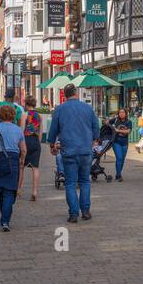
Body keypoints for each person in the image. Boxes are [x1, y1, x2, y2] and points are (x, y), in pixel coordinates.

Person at [46, 83, 100, 223]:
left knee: (70, 183)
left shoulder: (60, 109)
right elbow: (96, 127)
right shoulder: (88, 108)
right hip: (85, 150)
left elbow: (53, 130)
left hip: (68, 150)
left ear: (64, 95)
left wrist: (52, 145)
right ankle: (86, 211)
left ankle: (73, 214)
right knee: (84, 182)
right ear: (76, 93)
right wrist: (93, 140)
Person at [0, 104, 27, 232]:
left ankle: (4, 217)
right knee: (10, 191)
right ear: (13, 116)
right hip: (13, 160)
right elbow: (24, 149)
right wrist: (22, 160)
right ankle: (5, 220)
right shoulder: (18, 130)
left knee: (1, 189)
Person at [22, 103, 44, 201]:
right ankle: (34, 192)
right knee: (35, 168)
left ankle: (18, 189)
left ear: (27, 104)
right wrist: (38, 143)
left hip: (26, 140)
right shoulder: (39, 116)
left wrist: (21, 144)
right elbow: (40, 132)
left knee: (21, 166)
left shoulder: (25, 114)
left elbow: (22, 130)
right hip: (35, 140)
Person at [109, 108, 132, 181]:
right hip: (116, 142)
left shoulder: (129, 122)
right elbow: (107, 122)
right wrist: (111, 128)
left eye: (123, 112)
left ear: (125, 114)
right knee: (119, 158)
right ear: (118, 114)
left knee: (122, 159)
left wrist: (117, 130)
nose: (121, 114)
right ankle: (119, 175)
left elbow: (128, 131)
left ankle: (118, 173)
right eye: (120, 112)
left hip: (125, 143)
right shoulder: (115, 120)